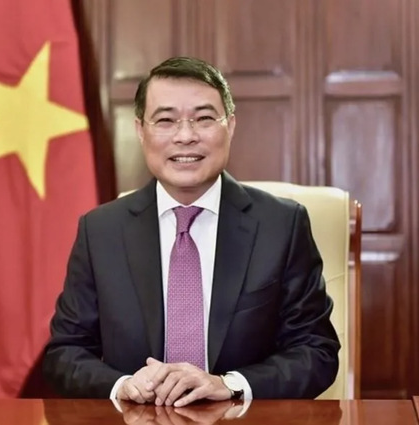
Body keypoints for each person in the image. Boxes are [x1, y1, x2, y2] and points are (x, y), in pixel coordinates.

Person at [43, 56, 339, 407]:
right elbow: (65, 353)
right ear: (140, 130)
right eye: (165, 120)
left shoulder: (281, 225)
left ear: (230, 126)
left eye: (204, 119)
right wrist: (122, 385)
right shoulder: (100, 231)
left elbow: (316, 351)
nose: (185, 136)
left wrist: (230, 385)